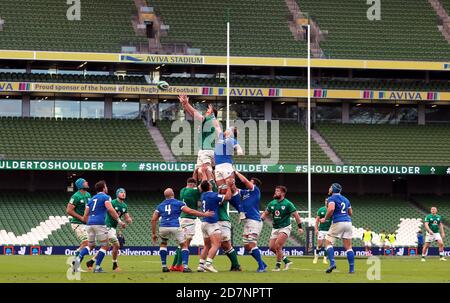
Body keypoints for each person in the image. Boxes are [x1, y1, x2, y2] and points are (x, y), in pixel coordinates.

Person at [151, 188, 214, 272]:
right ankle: (185, 267)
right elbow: (190, 211)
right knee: (184, 245)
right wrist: (204, 214)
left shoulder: (160, 205)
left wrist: (154, 234)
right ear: (173, 193)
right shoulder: (179, 203)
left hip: (163, 227)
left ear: (165, 196)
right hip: (175, 226)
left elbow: (153, 220)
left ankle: (164, 266)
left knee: (163, 243)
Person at [73, 180, 125, 273]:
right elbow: (110, 209)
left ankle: (77, 263)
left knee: (90, 246)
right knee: (105, 246)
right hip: (100, 224)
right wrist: (119, 220)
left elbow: (85, 215)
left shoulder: (91, 199)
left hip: (89, 224)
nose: (107, 188)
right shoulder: (106, 197)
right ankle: (97, 267)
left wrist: (89, 222)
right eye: (106, 186)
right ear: (103, 188)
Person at [86, 188, 132, 272]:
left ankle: (91, 262)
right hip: (107, 226)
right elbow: (109, 210)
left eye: (124, 192)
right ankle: (114, 264)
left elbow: (126, 216)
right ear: (117, 194)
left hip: (113, 227)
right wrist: (120, 221)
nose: (123, 193)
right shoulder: (112, 202)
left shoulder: (124, 206)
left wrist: (128, 220)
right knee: (116, 244)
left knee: (106, 247)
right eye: (121, 192)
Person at [261, 185, 304, 272]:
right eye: (275, 191)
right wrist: (259, 221)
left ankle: (277, 266)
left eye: (277, 191)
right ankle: (286, 261)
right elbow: (265, 213)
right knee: (272, 248)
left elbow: (296, 215)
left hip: (285, 227)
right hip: (275, 228)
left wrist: (300, 227)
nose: (275, 192)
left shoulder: (288, 203)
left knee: (278, 245)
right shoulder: (272, 203)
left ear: (283, 193)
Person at [197, 173, 233, 273]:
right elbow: (228, 197)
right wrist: (229, 186)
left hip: (204, 223)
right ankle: (208, 264)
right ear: (209, 186)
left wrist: (205, 174)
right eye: (210, 183)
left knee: (207, 246)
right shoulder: (213, 195)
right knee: (216, 244)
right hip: (212, 223)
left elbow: (204, 184)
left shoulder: (203, 195)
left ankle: (201, 265)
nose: (211, 184)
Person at [178, 94, 221, 177]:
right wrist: (185, 105)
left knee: (206, 170)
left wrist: (187, 104)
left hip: (207, 151)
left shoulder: (209, 121)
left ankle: (213, 180)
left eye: (208, 111)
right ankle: (206, 184)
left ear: (212, 114)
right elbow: (192, 114)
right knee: (198, 172)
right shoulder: (207, 122)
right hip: (204, 150)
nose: (206, 113)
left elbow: (195, 113)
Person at [235, 171, 267, 272]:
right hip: (247, 221)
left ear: (254, 184)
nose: (249, 182)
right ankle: (262, 263)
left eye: (251, 181)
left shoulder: (255, 190)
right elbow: (234, 189)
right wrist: (230, 181)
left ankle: (261, 267)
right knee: (247, 246)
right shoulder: (246, 192)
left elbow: (244, 180)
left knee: (252, 243)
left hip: (254, 220)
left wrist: (236, 172)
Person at [322, 183, 354, 274]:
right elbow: (350, 213)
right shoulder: (346, 199)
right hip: (348, 222)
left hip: (338, 221)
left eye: (330, 187)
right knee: (348, 247)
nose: (329, 189)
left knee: (328, 242)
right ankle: (351, 269)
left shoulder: (331, 198)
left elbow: (331, 209)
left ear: (333, 189)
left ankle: (332, 263)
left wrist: (325, 218)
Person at [170, 177, 201, 272]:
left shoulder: (183, 190)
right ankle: (180, 265)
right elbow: (201, 190)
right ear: (193, 185)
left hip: (182, 217)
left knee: (181, 244)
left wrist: (195, 174)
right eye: (194, 185)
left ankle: (174, 265)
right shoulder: (192, 191)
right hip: (189, 219)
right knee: (186, 244)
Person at [66, 178, 91, 267]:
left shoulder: (88, 195)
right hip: (77, 223)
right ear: (81, 185)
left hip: (86, 224)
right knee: (86, 242)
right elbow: (69, 210)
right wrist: (81, 218)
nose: (87, 182)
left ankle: (76, 261)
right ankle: (76, 261)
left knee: (88, 244)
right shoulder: (75, 196)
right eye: (85, 182)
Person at [314, 198, 331, 264]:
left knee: (327, 245)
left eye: (328, 201)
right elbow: (317, 220)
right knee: (320, 245)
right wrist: (316, 229)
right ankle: (316, 257)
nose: (326, 202)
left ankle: (325, 259)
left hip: (329, 231)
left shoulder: (332, 210)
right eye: (326, 201)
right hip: (321, 230)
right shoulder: (321, 209)